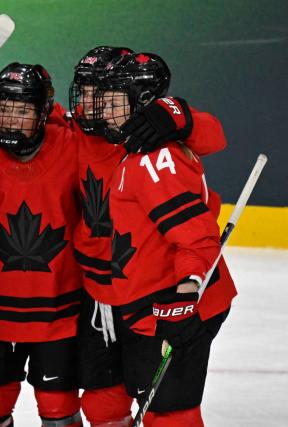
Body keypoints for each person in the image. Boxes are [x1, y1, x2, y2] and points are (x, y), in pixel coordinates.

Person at [51, 46, 231, 427]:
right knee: (101, 404)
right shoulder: (78, 132)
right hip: (104, 292)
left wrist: (179, 116)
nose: (87, 104)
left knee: (170, 415)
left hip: (160, 291)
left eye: (98, 95)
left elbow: (213, 137)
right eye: (82, 93)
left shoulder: (153, 144)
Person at [0, 63, 84, 427]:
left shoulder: (72, 144)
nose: (12, 120)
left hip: (58, 311)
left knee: (58, 406)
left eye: (23, 110)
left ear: (44, 112)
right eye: (5, 108)